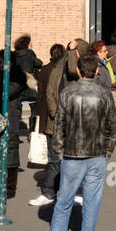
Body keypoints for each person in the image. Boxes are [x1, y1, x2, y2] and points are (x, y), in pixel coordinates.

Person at [44, 52, 116, 231]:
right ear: (96, 72)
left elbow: (59, 126)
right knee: (91, 204)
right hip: (96, 154)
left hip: (72, 154)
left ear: (77, 71)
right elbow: (112, 127)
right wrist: (107, 152)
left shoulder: (68, 93)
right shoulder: (104, 94)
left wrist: (58, 151)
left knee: (63, 201)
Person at [29, 44, 69, 207]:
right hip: (58, 118)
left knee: (54, 159)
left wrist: (39, 115)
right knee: (61, 158)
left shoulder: (45, 70)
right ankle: (55, 190)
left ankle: (50, 191)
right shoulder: (62, 71)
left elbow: (41, 96)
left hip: (48, 118)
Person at [0, 49, 28, 199]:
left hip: (10, 117)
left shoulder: (17, 76)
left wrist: (4, 75)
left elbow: (8, 91)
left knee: (10, 151)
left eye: (2, 62)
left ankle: (9, 188)